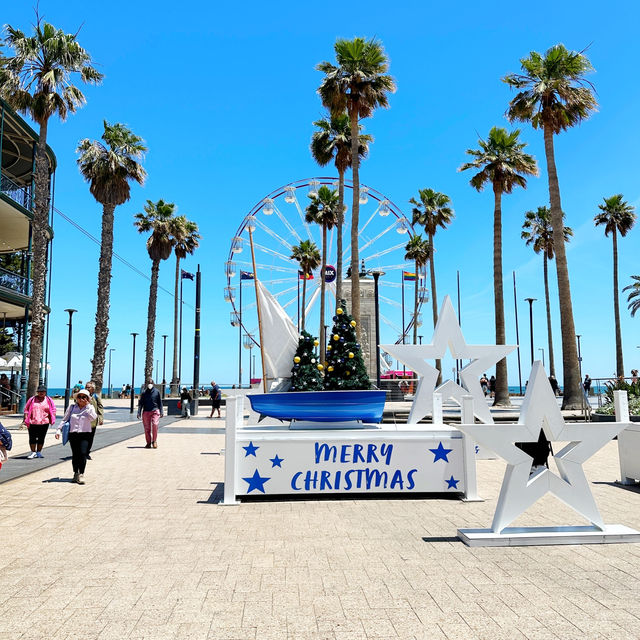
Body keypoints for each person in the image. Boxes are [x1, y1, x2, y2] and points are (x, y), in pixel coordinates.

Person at [56, 388, 96, 484]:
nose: (81, 399)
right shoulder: (72, 407)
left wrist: (87, 407)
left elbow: (93, 418)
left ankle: (81, 473)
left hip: (85, 434)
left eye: (84, 397)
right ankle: (75, 473)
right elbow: (64, 419)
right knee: (75, 455)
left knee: (83, 454)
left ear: (87, 398)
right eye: (79, 397)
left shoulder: (90, 408)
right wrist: (58, 430)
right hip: (73, 434)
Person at [23, 385, 57, 459]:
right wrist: (26, 418)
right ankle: (33, 452)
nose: (41, 393)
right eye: (40, 391)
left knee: (41, 438)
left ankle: (39, 452)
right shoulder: (32, 399)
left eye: (43, 391)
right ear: (37, 392)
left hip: (44, 422)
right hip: (33, 421)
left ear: (45, 392)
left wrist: (53, 416)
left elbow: (53, 409)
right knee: (32, 438)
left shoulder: (49, 399)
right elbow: (26, 409)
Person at [137, 379, 163, 448]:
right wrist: (139, 412)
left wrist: (161, 411)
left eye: (151, 383)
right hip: (146, 411)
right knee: (147, 428)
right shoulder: (144, 393)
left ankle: (154, 441)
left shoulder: (157, 392)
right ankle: (148, 442)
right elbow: (141, 404)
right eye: (148, 383)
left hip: (155, 411)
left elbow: (160, 403)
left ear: (153, 384)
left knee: (155, 424)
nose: (150, 384)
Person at [84, 381, 104, 460]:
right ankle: (83, 452)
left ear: (93, 388)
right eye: (86, 387)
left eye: (89, 387)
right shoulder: (82, 396)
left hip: (92, 421)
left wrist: (101, 418)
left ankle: (87, 452)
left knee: (90, 437)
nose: (87, 388)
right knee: (83, 437)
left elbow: (100, 407)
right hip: (83, 421)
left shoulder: (96, 396)